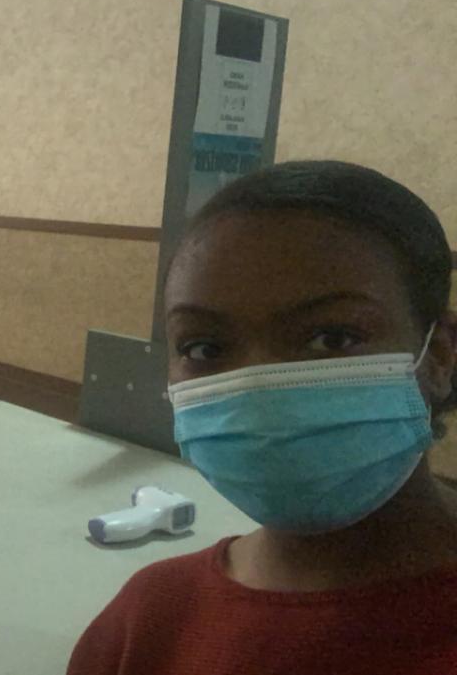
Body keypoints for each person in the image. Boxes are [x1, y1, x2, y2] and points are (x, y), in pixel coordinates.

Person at [67, 161, 457, 674]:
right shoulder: (151, 618)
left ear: (440, 355)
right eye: (204, 347)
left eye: (331, 338)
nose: (258, 389)